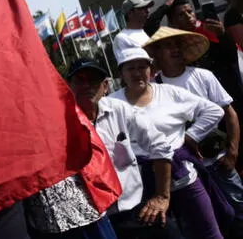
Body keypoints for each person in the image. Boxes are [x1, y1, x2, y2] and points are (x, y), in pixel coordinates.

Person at [109, 47, 225, 239]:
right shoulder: (111, 103)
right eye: (130, 68)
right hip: (143, 187)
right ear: (121, 72)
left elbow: (213, 111)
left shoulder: (170, 93)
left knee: (208, 233)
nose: (137, 73)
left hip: (182, 177)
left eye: (142, 67)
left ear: (151, 69)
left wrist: (191, 136)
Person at [65, 57, 181, 239]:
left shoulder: (119, 109)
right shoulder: (62, 123)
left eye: (93, 80)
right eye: (80, 80)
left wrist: (162, 197)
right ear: (68, 86)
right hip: (94, 222)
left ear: (105, 86)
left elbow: (160, 145)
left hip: (135, 210)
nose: (87, 86)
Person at [144, 26, 243, 233]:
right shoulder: (154, 89)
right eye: (168, 46)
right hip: (187, 172)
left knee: (240, 209)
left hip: (218, 160)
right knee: (211, 222)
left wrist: (233, 152)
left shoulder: (203, 76)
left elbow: (229, 113)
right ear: (157, 54)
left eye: (177, 45)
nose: (175, 50)